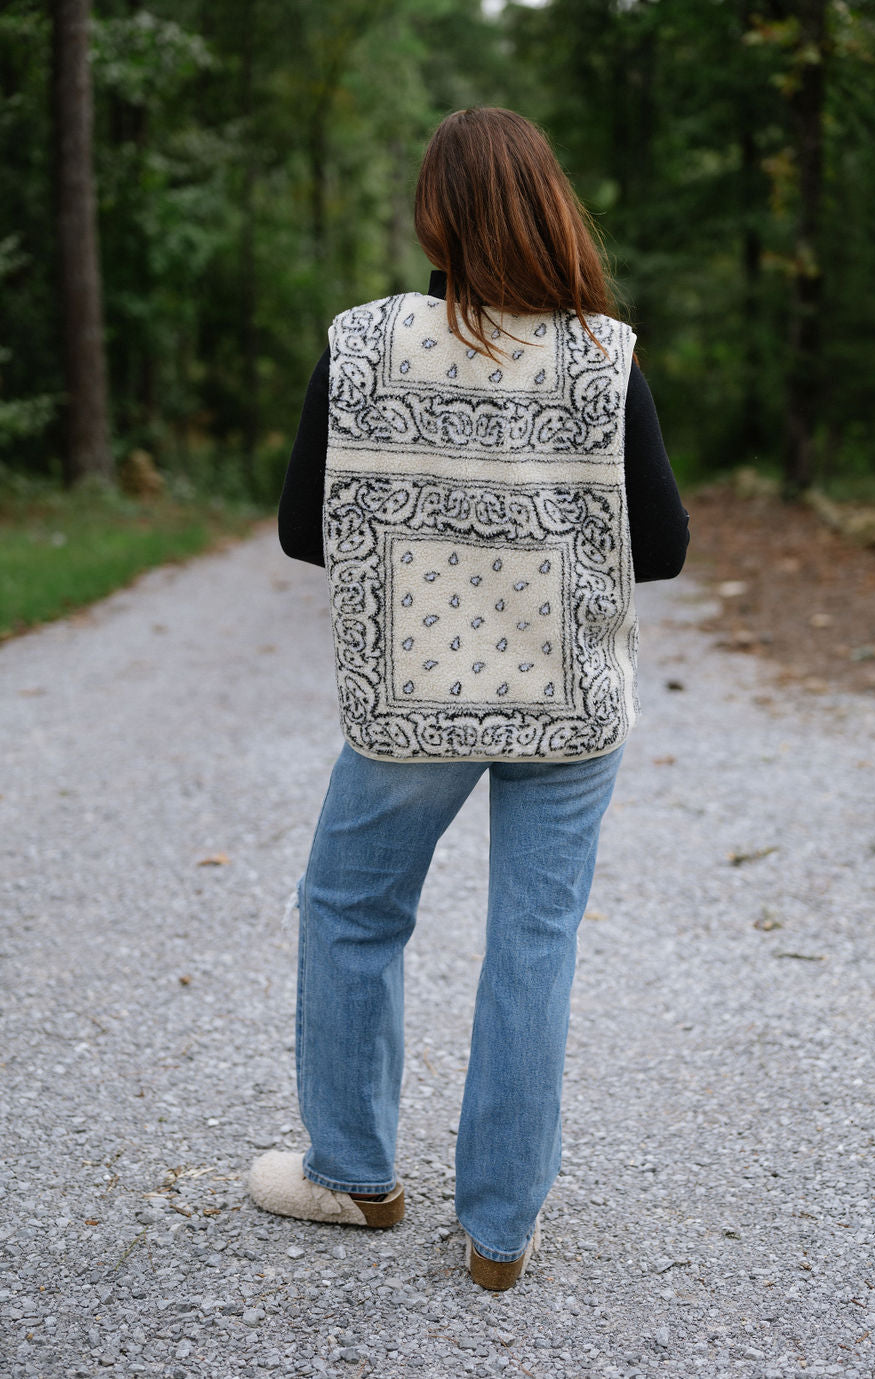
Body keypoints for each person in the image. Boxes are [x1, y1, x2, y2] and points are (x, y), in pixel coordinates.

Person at [248, 107, 689, 1290]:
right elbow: (661, 548)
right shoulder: (604, 357)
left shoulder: (362, 344)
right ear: (549, 208)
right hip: (568, 703)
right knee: (532, 944)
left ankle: (353, 1174)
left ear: (433, 212)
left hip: (412, 698)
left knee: (349, 910)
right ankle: (500, 1234)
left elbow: (303, 529)